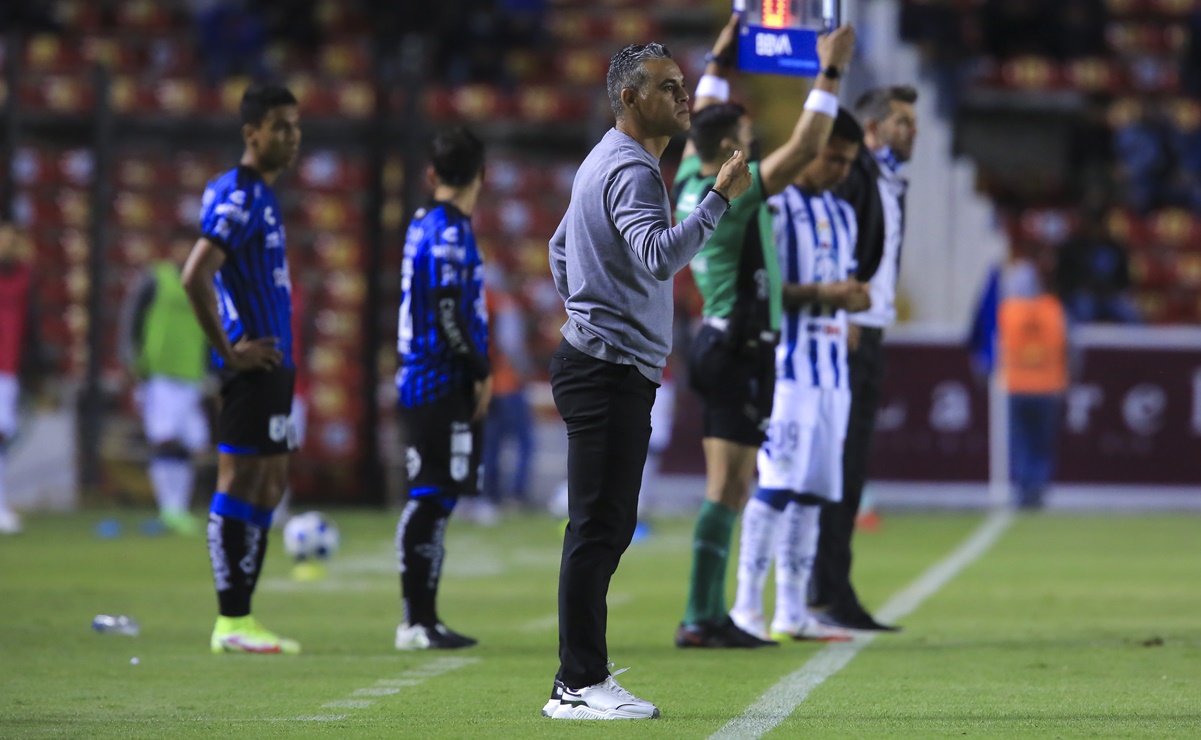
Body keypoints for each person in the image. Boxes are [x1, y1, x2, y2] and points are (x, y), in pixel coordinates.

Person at [539, 42, 751, 721]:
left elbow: (558, 248)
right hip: (606, 366)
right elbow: (659, 256)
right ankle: (578, 682)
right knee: (598, 528)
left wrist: (584, 311)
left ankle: (580, 677)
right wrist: (718, 196)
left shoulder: (605, 158)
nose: (681, 97)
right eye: (666, 87)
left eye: (682, 84)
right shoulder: (630, 170)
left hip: (600, 359)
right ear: (629, 98)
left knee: (603, 525)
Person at [671, 16, 856, 649]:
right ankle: (702, 614)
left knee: (732, 484)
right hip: (738, 346)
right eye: (746, 140)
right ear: (731, 150)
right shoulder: (737, 191)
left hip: (719, 339)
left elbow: (706, 121)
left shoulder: (690, 177)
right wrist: (829, 70)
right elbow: (805, 147)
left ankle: (708, 612)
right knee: (730, 485)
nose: (750, 150)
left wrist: (718, 62)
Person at [729, 109, 870, 643]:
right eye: (832, 157)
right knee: (777, 486)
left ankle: (791, 609)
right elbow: (766, 291)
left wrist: (849, 308)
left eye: (848, 162)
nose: (839, 169)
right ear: (808, 148)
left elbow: (839, 282)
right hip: (787, 373)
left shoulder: (843, 212)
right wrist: (823, 296)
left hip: (833, 374)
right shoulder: (774, 207)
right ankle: (746, 608)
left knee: (812, 492)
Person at [182, 82, 302, 654]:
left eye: (295, 126)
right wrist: (230, 352)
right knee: (240, 480)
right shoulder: (241, 195)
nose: (292, 137)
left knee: (271, 481)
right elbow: (195, 273)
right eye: (280, 127)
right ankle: (232, 620)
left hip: (275, 363)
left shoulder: (260, 195)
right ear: (251, 133)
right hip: (250, 363)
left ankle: (242, 620)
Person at [810, 85, 919, 633]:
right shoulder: (855, 175)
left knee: (849, 471)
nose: (911, 129)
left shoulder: (886, 179)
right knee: (838, 467)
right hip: (848, 330)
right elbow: (841, 244)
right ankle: (824, 592)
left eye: (913, 121)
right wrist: (847, 314)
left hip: (866, 329)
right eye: (900, 121)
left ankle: (832, 588)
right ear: (872, 129)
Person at [394, 127, 491, 651]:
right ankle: (416, 621)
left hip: (423, 377)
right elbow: (451, 312)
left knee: (438, 496)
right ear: (483, 175)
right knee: (431, 496)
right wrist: (481, 369)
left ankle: (423, 619)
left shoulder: (423, 224)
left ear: (432, 175)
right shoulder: (451, 233)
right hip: (437, 379)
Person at [119, 237, 211, 536]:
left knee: (190, 442)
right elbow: (132, 318)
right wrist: (130, 358)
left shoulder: (207, 283)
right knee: (165, 438)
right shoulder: (155, 278)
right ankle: (168, 508)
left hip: (191, 373)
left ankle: (178, 508)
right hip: (158, 372)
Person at [999, 258, 1070, 509]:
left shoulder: (1008, 311)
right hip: (1048, 387)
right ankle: (1037, 489)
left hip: (1017, 386)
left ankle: (1023, 490)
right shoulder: (1053, 309)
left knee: (1021, 443)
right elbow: (1069, 345)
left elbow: (995, 345)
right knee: (1041, 444)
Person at [0, 221, 37, 535]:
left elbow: (30, 324)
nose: (8, 245)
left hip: (7, 369)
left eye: (13, 239)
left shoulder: (25, 277)